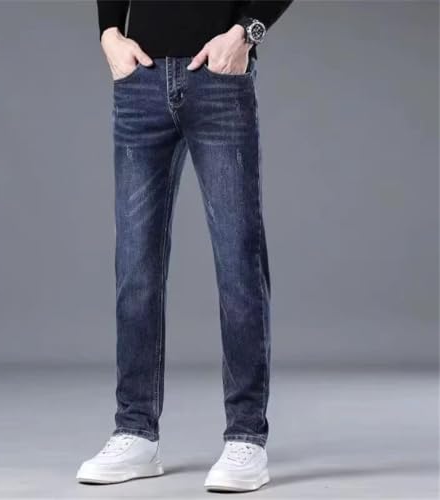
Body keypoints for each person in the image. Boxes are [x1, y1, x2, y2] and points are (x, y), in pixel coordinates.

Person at [76, 0, 293, 492]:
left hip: (219, 78)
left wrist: (246, 33)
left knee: (239, 261)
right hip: (141, 81)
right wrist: (109, 33)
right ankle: (135, 431)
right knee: (135, 267)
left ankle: (246, 437)